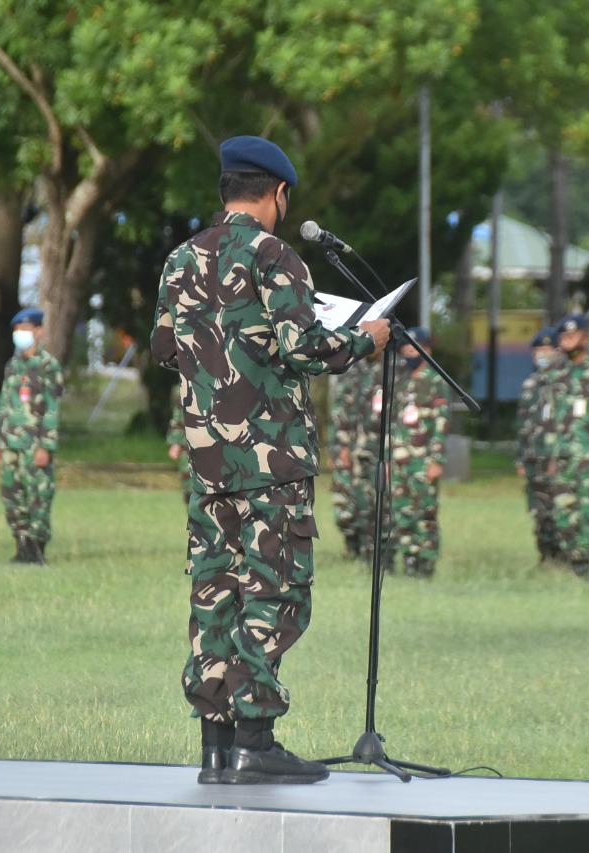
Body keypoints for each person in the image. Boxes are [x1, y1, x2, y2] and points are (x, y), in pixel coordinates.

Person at [150, 135, 390, 785]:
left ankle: (216, 747)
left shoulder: (179, 259)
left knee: (214, 590)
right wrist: (365, 339)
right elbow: (306, 346)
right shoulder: (275, 256)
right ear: (278, 193)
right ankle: (256, 738)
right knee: (272, 588)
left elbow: (164, 347)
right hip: (270, 461)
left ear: (226, 187)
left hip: (207, 460)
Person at [0, 307, 64, 564]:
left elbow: (53, 408)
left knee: (38, 496)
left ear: (39, 331)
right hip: (10, 443)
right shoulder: (13, 366)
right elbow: (4, 404)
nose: (20, 334)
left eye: (24, 329)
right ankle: (21, 544)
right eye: (16, 330)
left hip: (35, 444)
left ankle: (37, 547)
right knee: (12, 495)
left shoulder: (48, 366)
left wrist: (46, 444)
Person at [548, 313, 589, 577]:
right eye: (564, 336)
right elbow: (553, 418)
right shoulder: (558, 372)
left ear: (586, 337)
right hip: (563, 455)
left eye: (573, 335)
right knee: (564, 511)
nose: (568, 340)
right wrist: (551, 455)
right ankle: (575, 560)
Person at [390, 328, 449, 577]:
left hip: (423, 459)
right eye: (405, 349)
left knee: (424, 510)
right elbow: (391, 421)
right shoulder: (399, 380)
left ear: (427, 349)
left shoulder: (435, 381)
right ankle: (410, 557)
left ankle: (426, 561)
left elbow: (441, 422)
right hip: (398, 459)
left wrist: (437, 459)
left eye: (413, 348)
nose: (408, 353)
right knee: (402, 511)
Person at [329, 353, 383, 558]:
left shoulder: (393, 367)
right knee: (348, 501)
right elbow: (340, 410)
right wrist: (339, 446)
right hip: (353, 447)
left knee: (377, 500)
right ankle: (354, 544)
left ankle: (375, 547)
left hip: (382, 448)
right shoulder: (350, 369)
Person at [515, 326, 561, 565]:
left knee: (560, 509)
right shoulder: (530, 385)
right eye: (537, 350)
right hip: (534, 459)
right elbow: (522, 424)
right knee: (539, 510)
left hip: (556, 457)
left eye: (546, 349)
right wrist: (520, 458)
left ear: (557, 351)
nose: (541, 354)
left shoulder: (563, 383)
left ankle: (564, 556)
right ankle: (546, 555)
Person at [166, 406, 191, 504]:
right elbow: (180, 407)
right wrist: (176, 441)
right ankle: (193, 516)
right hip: (189, 443)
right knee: (189, 481)